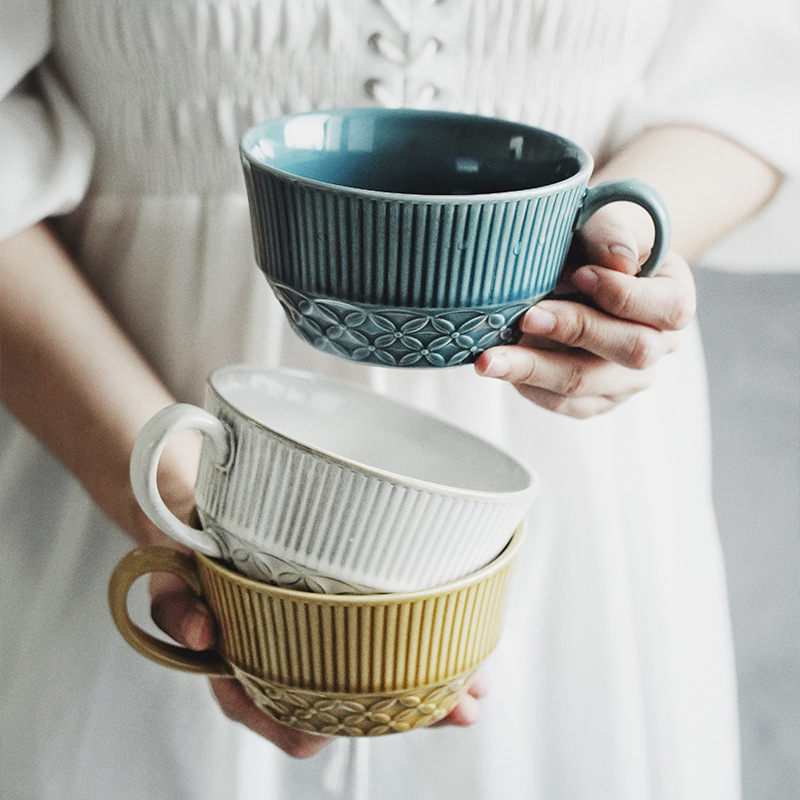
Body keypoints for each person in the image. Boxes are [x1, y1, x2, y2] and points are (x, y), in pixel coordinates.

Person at [0, 1, 796, 798]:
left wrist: (617, 266)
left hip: (574, 478)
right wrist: (162, 486)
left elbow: (750, 82)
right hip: (105, 419)